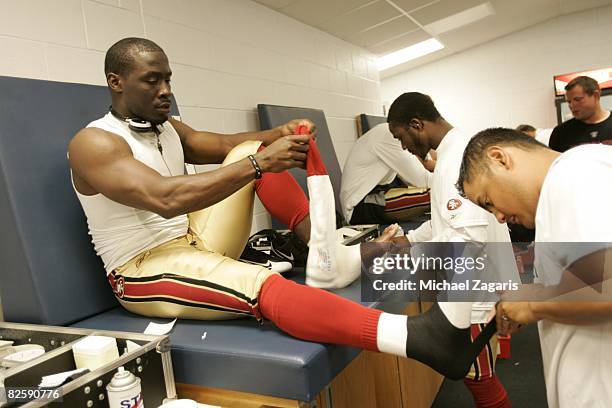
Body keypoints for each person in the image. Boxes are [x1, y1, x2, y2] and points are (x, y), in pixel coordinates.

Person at [68, 37, 494, 380]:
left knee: (250, 149)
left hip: (192, 242)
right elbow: (164, 199)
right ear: (116, 81)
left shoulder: (168, 128)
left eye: (168, 79)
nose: (166, 91)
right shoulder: (94, 143)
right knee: (263, 282)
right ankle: (417, 339)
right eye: (152, 81)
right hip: (142, 268)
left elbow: (224, 146)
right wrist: (259, 162)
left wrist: (274, 136)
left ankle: (328, 258)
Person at [456, 127, 612, 407]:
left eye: (489, 202)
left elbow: (606, 288)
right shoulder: (567, 182)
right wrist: (538, 294)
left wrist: (532, 304)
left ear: (499, 158)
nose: (500, 217)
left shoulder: (573, 175)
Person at [384, 92, 517, 408]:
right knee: (479, 376)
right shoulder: (457, 152)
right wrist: (411, 239)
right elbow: (447, 220)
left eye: (400, 137)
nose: (403, 146)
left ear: (416, 124)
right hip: (479, 288)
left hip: (472, 295)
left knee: (480, 379)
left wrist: (409, 257)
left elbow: (465, 242)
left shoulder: (454, 162)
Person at [340, 122, 431, 224]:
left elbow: (424, 168)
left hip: (381, 191)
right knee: (434, 194)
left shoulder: (396, 134)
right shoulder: (389, 136)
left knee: (437, 190)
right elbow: (423, 180)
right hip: (359, 207)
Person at [549, 76, 612, 152]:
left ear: (596, 96)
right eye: (569, 102)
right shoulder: (560, 133)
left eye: (577, 99)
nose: (572, 106)